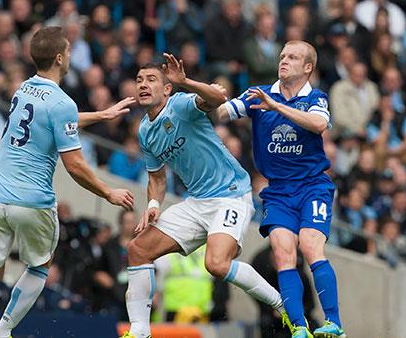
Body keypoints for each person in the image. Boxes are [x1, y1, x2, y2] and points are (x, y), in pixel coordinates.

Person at [0, 26, 136, 338]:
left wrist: (100, 115)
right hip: (31, 199)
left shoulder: (23, 89)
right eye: (68, 51)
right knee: (40, 267)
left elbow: (55, 119)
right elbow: (75, 165)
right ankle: (2, 331)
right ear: (59, 58)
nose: (70, 55)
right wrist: (108, 192)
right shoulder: (62, 102)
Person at [120, 55, 286, 338]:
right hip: (197, 201)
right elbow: (157, 177)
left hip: (231, 194)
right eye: (139, 80)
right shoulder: (145, 131)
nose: (143, 85)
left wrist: (185, 81)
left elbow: (218, 98)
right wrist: (153, 204)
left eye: (151, 79)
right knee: (137, 250)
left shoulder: (180, 104)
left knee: (216, 264)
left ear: (167, 88)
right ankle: (140, 331)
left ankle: (282, 304)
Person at [218, 41, 345, 338]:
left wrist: (276, 107)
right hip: (277, 191)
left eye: (293, 57)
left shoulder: (315, 97)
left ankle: (333, 322)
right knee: (282, 254)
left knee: (310, 246)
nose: (284, 61)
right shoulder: (259, 94)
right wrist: (211, 96)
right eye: (283, 56)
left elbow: (318, 124)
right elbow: (223, 112)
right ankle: (298, 327)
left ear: (308, 67)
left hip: (312, 186)